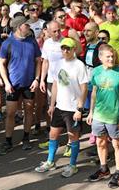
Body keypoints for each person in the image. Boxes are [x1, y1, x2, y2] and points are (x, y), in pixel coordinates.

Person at [36, 37, 89, 177]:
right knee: (53, 134)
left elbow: (84, 88)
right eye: (63, 48)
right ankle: (50, 161)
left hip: (73, 109)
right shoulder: (58, 63)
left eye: (68, 49)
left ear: (74, 50)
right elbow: (55, 85)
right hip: (60, 107)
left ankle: (72, 165)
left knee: (73, 136)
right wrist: (52, 105)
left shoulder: (79, 65)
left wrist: (80, 108)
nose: (65, 51)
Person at [85, 44, 119, 185]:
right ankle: (104, 169)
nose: (111, 59)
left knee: (117, 144)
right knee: (100, 142)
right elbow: (94, 93)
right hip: (99, 115)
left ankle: (118, 172)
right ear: (100, 58)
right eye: (108, 57)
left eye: (113, 56)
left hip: (115, 116)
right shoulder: (96, 71)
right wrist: (91, 112)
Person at [0, 15, 42, 154]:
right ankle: (8, 141)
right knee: (10, 113)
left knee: (29, 110)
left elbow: (38, 61)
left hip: (29, 83)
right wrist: (6, 82)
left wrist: (36, 79)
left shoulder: (32, 42)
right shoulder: (7, 43)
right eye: (26, 25)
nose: (29, 27)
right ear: (19, 27)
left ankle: (26, 138)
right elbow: (2, 64)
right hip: (12, 84)